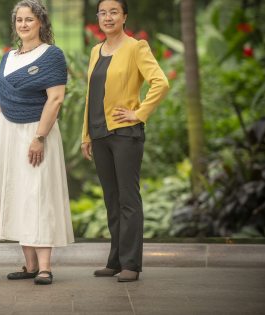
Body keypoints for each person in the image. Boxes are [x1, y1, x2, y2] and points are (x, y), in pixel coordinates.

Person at [81, 0, 169, 282]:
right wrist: (86, 134)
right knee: (112, 199)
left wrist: (139, 112)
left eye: (114, 12)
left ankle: (131, 263)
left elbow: (161, 82)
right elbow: (90, 95)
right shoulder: (96, 50)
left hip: (125, 134)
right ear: (98, 17)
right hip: (99, 133)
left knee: (128, 199)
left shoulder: (136, 47)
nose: (107, 17)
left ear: (124, 17)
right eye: (103, 13)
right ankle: (116, 260)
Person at [0, 0, 74, 285]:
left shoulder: (52, 56)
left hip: (36, 132)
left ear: (41, 23)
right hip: (8, 134)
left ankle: (45, 268)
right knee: (17, 194)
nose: (23, 25)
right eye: (19, 20)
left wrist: (39, 137)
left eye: (29, 19)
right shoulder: (7, 57)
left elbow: (56, 99)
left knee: (38, 195)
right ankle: (28, 266)